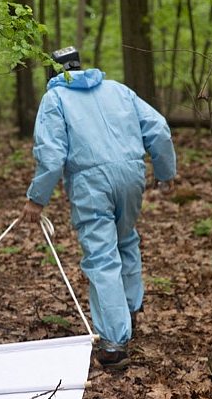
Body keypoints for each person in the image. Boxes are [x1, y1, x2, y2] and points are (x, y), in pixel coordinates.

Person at [20, 46, 176, 370]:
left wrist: (37, 199)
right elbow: (158, 128)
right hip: (132, 174)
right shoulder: (118, 90)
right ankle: (129, 307)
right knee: (126, 239)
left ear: (53, 72)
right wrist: (165, 173)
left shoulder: (55, 99)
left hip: (90, 182)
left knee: (102, 256)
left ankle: (115, 343)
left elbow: (51, 155)